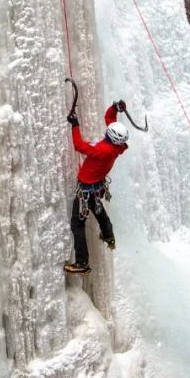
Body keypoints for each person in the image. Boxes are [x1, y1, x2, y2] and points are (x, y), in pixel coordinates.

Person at [64, 99, 129, 274]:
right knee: (98, 211)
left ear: (111, 136)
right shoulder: (119, 146)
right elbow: (110, 119)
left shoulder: (103, 150)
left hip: (86, 189)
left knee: (77, 224)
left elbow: (80, 146)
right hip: (96, 187)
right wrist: (115, 108)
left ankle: (82, 263)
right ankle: (109, 235)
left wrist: (75, 125)